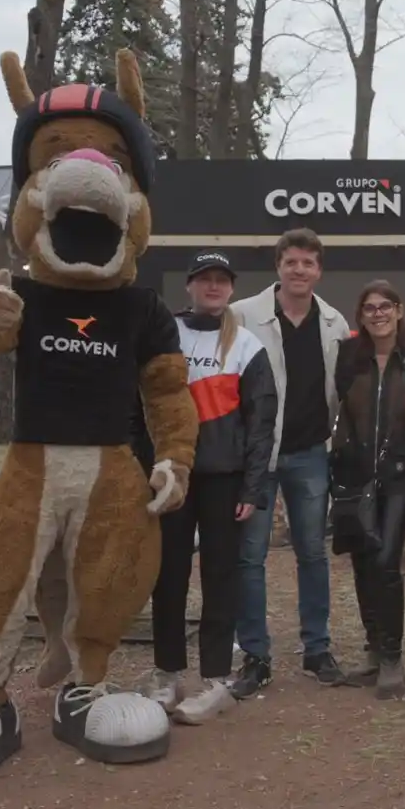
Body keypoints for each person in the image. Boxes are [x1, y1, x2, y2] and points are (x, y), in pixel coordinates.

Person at [143, 252, 277, 723]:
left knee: (220, 578)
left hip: (225, 479)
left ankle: (217, 678)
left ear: (232, 289)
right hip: (174, 477)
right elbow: (144, 400)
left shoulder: (246, 345)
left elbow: (262, 424)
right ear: (190, 286)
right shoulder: (165, 334)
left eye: (222, 281)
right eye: (205, 280)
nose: (213, 287)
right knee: (169, 576)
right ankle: (167, 673)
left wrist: (253, 489)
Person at [230, 229, 353, 695]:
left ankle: (317, 650)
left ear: (319, 270)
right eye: (291, 262)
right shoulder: (242, 316)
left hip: (311, 453)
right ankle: (255, 657)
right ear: (278, 266)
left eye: (308, 263)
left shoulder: (335, 324)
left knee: (313, 553)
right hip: (257, 458)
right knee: (250, 557)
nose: (299, 270)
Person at [330, 280, 405, 700]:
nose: (377, 314)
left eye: (385, 306)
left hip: (401, 476)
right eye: (369, 307)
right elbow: (344, 411)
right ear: (361, 315)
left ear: (399, 309)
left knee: (387, 557)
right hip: (356, 475)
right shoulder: (349, 357)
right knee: (362, 559)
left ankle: (392, 657)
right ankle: (373, 649)